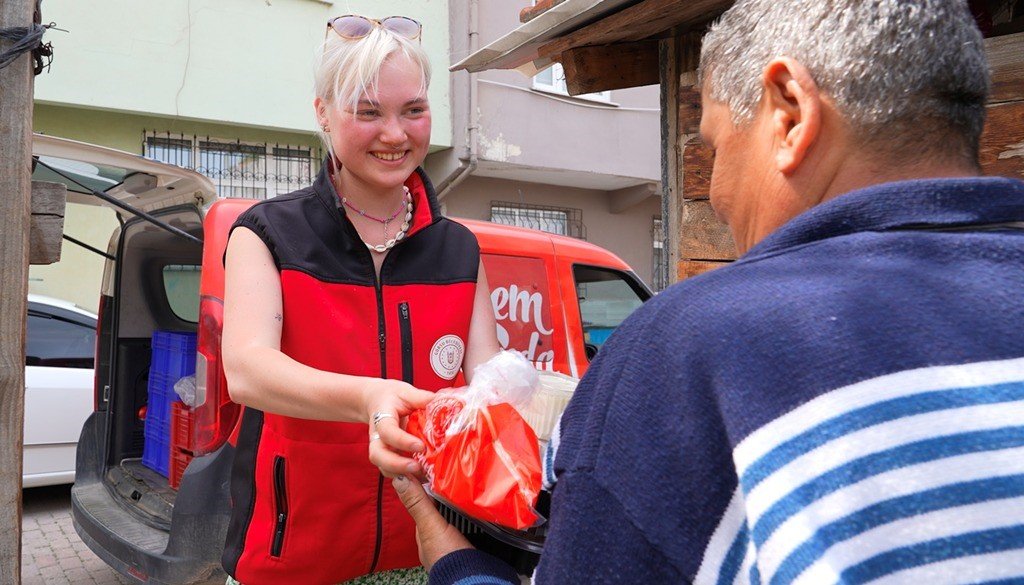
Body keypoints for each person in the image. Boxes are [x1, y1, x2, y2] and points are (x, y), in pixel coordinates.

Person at [388, 0, 1024, 583]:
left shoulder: (687, 348)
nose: (715, 191)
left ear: (791, 113)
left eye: (716, 145)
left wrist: (457, 568)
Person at [220, 15, 499, 585]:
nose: (395, 134)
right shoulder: (268, 233)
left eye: (413, 111)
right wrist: (371, 396)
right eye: (368, 112)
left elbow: (488, 383)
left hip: (428, 550)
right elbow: (247, 371)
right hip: (291, 554)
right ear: (322, 112)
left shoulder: (459, 249)